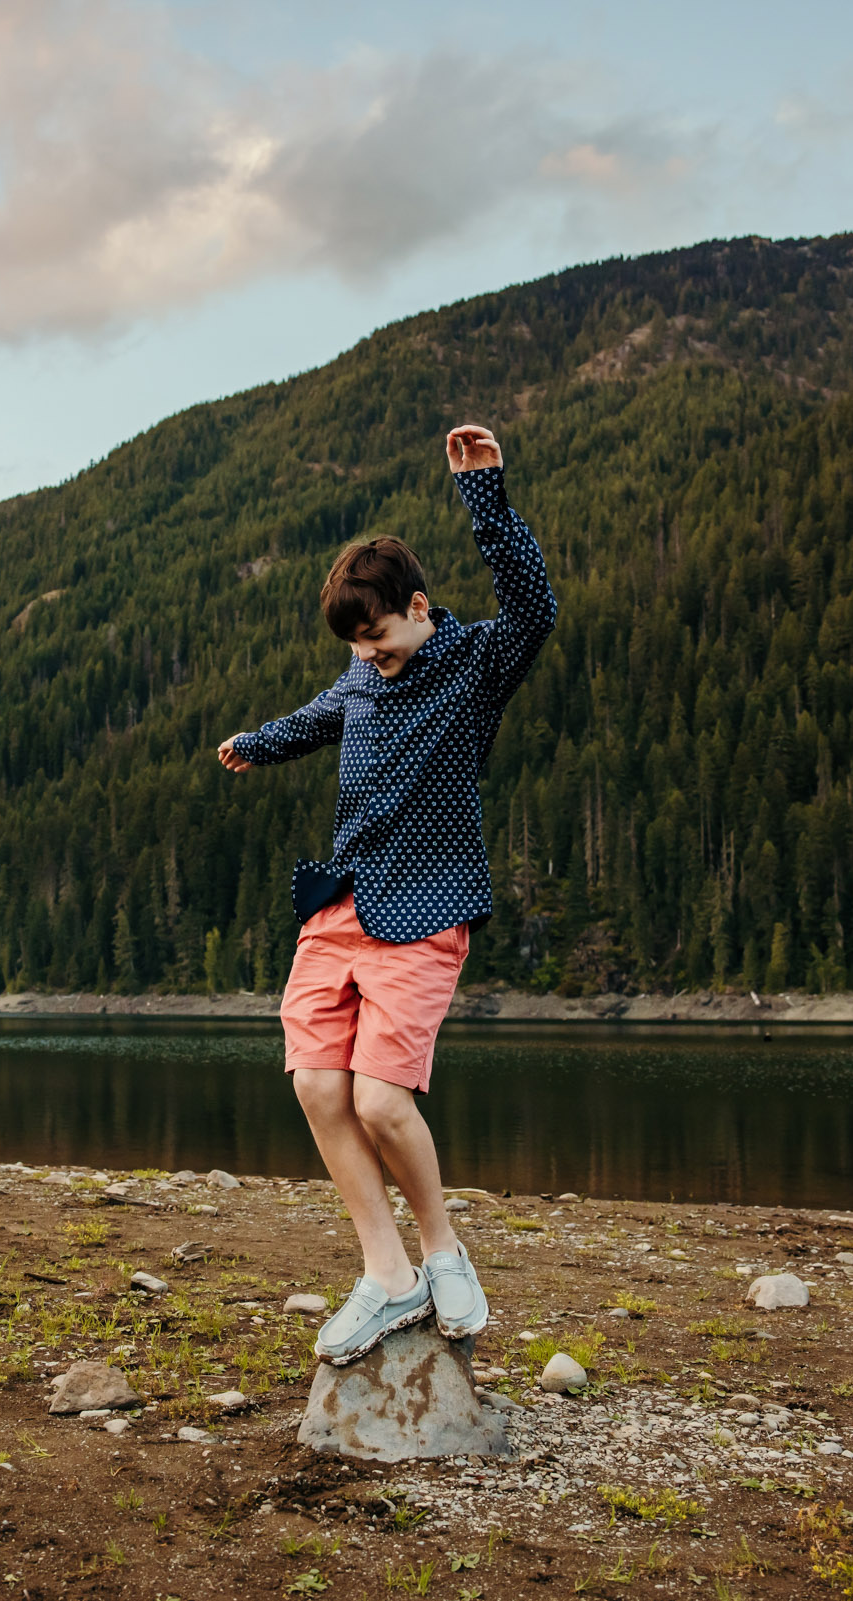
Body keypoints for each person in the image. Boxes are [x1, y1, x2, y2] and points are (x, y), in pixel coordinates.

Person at [216, 423, 555, 1364]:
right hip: (340, 908)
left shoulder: (477, 662)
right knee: (320, 1085)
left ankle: (444, 1254)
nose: (368, 659)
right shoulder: (362, 671)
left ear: (417, 606)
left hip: (425, 910)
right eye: (356, 649)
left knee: (382, 1101)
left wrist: (485, 496)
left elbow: (535, 607)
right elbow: (324, 714)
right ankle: (387, 1277)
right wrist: (262, 740)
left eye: (379, 640)